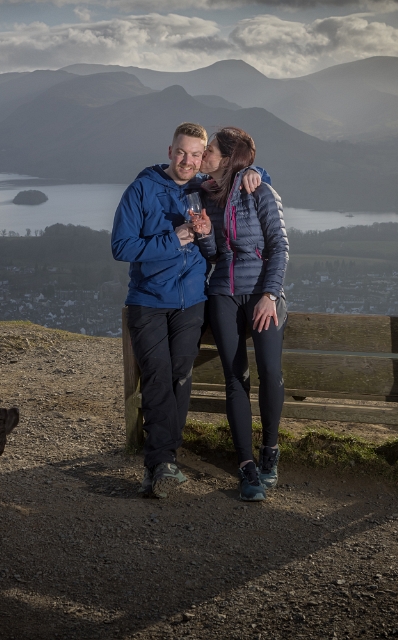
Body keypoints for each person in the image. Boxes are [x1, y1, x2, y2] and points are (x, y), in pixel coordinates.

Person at [112, 122, 264, 499]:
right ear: (169, 151)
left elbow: (243, 175)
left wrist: (256, 171)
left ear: (203, 157)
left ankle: (164, 461)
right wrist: (174, 239)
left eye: (196, 154)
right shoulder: (141, 189)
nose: (188, 160)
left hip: (193, 301)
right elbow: (121, 246)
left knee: (180, 375)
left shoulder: (204, 188)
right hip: (148, 300)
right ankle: (160, 462)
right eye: (181, 152)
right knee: (158, 376)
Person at [190, 126, 288, 502]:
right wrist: (203, 235)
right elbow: (216, 255)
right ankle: (246, 465)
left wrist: (270, 295)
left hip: (262, 294)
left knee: (270, 372)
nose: (204, 155)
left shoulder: (259, 191)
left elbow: (279, 246)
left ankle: (270, 450)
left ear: (229, 159)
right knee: (234, 378)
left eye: (210, 150)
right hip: (223, 293)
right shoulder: (206, 194)